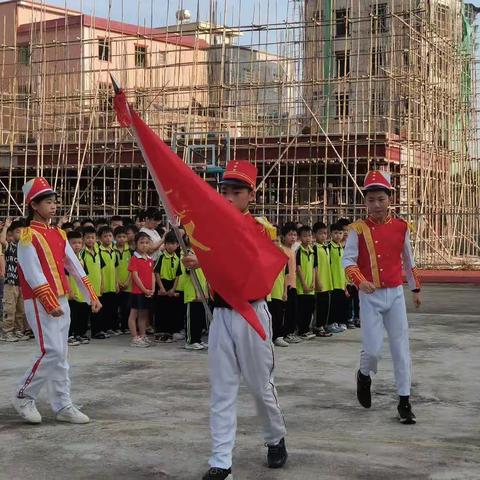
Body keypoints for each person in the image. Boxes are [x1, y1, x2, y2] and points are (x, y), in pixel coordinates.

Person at [183, 160, 287, 480]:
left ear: (250, 195)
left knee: (260, 387)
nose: (228, 197)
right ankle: (221, 461)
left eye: (237, 191)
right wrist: (194, 253)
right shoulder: (207, 227)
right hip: (221, 315)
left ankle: (274, 437)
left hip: (251, 314)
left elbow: (245, 258)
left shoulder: (261, 228)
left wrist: (204, 258)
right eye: (224, 190)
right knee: (222, 389)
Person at [13, 177, 101, 424]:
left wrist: (90, 296)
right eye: (48, 202)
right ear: (34, 205)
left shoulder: (59, 234)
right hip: (41, 302)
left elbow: (74, 264)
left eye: (54, 201)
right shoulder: (27, 236)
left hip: (61, 300)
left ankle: (62, 404)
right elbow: (32, 272)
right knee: (50, 351)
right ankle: (24, 394)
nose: (53, 206)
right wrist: (49, 302)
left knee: (61, 354)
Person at [343, 171, 421, 424]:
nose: (376, 205)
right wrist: (359, 281)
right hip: (370, 295)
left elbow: (408, 260)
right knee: (373, 349)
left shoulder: (401, 227)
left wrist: (415, 289)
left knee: (401, 348)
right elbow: (348, 261)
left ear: (390, 199)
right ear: (365, 202)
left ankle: (404, 401)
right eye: (371, 200)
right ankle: (364, 375)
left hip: (395, 294)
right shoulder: (358, 229)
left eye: (380, 199)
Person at [0, 219, 29, 342]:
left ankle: (18, 330)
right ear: (12, 234)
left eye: (23, 232)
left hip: (21, 283)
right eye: (18, 232)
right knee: (9, 308)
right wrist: (6, 227)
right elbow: (2, 240)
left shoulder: (26, 249)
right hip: (10, 283)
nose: (20, 234)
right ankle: (7, 332)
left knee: (20, 309)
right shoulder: (10, 246)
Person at [154, 230, 182, 343]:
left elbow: (178, 275)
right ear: (164, 245)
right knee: (161, 309)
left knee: (171, 309)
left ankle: (170, 332)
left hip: (172, 285)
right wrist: (161, 288)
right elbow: (156, 273)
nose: (171, 246)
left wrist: (173, 289)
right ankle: (160, 333)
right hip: (162, 283)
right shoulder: (161, 257)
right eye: (168, 243)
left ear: (178, 245)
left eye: (174, 243)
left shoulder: (177, 258)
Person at [128, 232, 155, 347]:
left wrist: (152, 289)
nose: (144, 245)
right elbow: (135, 276)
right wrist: (144, 289)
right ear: (136, 244)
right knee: (134, 314)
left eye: (147, 243)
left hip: (148, 292)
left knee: (144, 314)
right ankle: (135, 338)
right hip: (138, 292)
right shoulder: (134, 258)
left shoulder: (149, 259)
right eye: (141, 242)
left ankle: (143, 336)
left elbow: (152, 275)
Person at [182, 236, 209, 351]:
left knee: (199, 318)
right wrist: (198, 291)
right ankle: (190, 341)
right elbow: (191, 274)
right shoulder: (188, 253)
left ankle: (197, 340)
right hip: (193, 292)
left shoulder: (200, 253)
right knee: (192, 317)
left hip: (202, 291)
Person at [66, 230, 90, 346]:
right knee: (71, 315)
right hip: (71, 294)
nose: (77, 245)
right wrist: (69, 291)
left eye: (79, 243)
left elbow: (85, 276)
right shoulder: (66, 259)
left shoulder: (81, 257)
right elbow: (65, 276)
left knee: (82, 314)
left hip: (81, 293)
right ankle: (69, 335)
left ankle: (80, 333)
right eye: (74, 243)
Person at [80, 226, 105, 339]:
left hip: (97, 285)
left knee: (97, 310)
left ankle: (97, 331)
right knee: (85, 311)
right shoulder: (82, 253)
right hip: (86, 287)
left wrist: (102, 283)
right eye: (88, 238)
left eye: (93, 237)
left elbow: (101, 269)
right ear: (83, 239)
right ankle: (83, 332)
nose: (90, 240)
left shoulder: (98, 250)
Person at [281, 222, 302, 344]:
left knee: (293, 310)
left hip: (293, 285)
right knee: (287, 311)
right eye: (290, 235)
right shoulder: (282, 250)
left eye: (294, 235)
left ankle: (290, 332)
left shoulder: (292, 250)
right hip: (286, 286)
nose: (293, 237)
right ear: (283, 236)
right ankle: (286, 333)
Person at [312, 222, 333, 337]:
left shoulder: (326, 247)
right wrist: (317, 281)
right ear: (314, 235)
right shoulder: (314, 248)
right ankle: (317, 326)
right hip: (319, 282)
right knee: (319, 306)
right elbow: (314, 266)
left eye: (325, 233)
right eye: (320, 234)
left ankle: (323, 325)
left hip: (327, 281)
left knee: (325, 305)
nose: (323, 236)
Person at [295, 225, 317, 340]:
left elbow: (314, 268)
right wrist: (304, 284)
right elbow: (298, 268)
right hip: (301, 287)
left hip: (311, 287)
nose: (308, 238)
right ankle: (301, 330)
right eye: (304, 236)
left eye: (309, 235)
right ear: (299, 237)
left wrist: (313, 282)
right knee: (302, 310)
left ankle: (306, 329)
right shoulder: (298, 251)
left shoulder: (313, 251)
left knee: (309, 309)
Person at [98, 226, 120, 336]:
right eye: (105, 236)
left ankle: (111, 327)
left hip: (112, 284)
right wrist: (101, 284)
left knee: (112, 307)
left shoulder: (113, 251)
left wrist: (116, 283)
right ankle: (103, 328)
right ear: (100, 238)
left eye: (110, 236)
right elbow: (100, 269)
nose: (108, 238)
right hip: (103, 285)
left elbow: (115, 268)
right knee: (104, 308)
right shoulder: (98, 251)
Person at [329, 223, 348, 332]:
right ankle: (332, 323)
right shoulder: (329, 247)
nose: (338, 235)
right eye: (335, 233)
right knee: (333, 305)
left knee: (341, 304)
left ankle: (340, 322)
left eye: (340, 233)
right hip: (333, 282)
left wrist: (345, 283)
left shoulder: (341, 248)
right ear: (331, 234)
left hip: (341, 282)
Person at [114, 226, 133, 333]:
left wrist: (127, 281)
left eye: (124, 236)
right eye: (119, 236)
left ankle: (125, 326)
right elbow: (113, 268)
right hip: (116, 284)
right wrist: (117, 281)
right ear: (115, 238)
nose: (121, 239)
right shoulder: (112, 250)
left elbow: (132, 268)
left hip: (128, 285)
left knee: (127, 307)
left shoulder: (130, 251)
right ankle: (116, 326)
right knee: (115, 307)